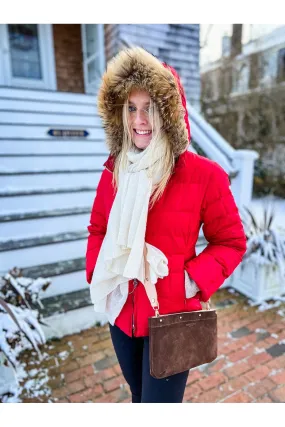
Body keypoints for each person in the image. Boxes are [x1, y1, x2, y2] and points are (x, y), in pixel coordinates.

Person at [85, 47, 247, 403]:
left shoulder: (205, 175)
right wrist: (99, 271)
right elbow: (98, 228)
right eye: (131, 107)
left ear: (170, 113)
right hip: (121, 315)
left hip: (171, 318)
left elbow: (232, 242)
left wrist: (188, 282)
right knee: (138, 396)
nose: (139, 119)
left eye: (150, 107)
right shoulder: (115, 170)